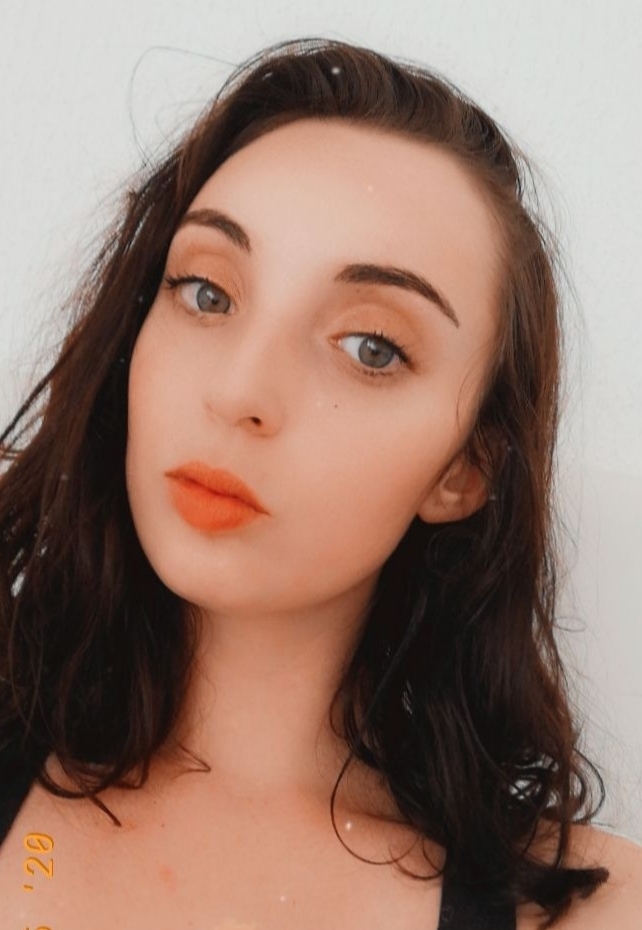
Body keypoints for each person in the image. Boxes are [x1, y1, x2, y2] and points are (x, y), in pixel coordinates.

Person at [0, 36, 640, 930]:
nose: (240, 393)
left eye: (371, 347)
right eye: (207, 294)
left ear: (464, 469)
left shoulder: (591, 911)